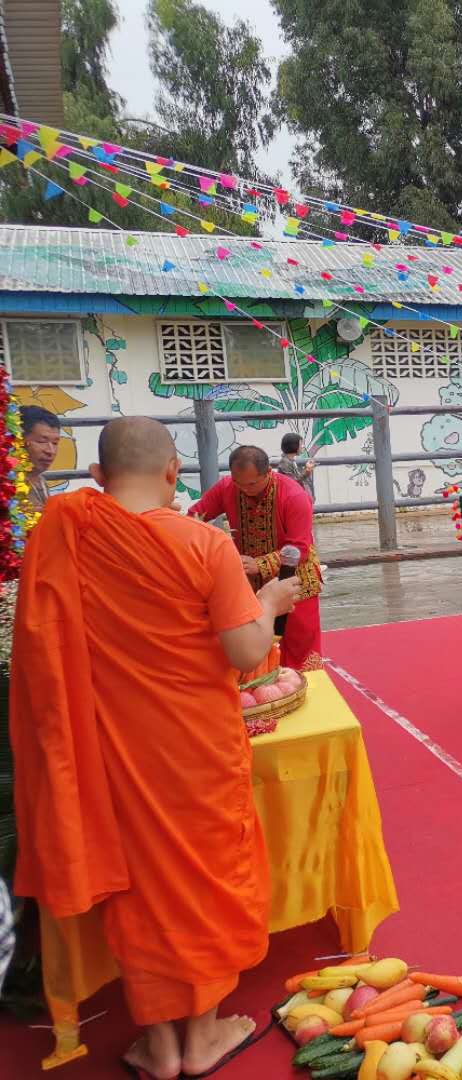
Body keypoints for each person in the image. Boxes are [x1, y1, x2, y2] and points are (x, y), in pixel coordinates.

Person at [11, 417, 300, 1077]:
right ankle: (202, 1036)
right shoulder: (204, 542)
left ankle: (162, 1045)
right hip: (197, 750)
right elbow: (245, 651)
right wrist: (270, 600)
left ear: (97, 476)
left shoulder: (70, 534)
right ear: (174, 472)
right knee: (202, 880)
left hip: (114, 747)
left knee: (143, 889)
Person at [188, 444, 324, 670]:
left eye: (251, 484)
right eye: (238, 483)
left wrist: (259, 564)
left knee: (300, 651)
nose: (244, 489)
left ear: (268, 472)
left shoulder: (294, 496)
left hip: (296, 580)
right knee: (257, 652)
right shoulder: (227, 487)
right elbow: (195, 517)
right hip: (250, 585)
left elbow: (299, 548)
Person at [19, 405, 62, 514]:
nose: (50, 451)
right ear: (20, 441)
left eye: (55, 443)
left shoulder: (40, 480)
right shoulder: (7, 484)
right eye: (41, 442)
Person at [275, 432, 316, 503]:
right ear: (294, 445)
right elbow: (292, 483)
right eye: (301, 444)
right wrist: (306, 472)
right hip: (292, 502)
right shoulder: (285, 463)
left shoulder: (290, 461)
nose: (303, 447)